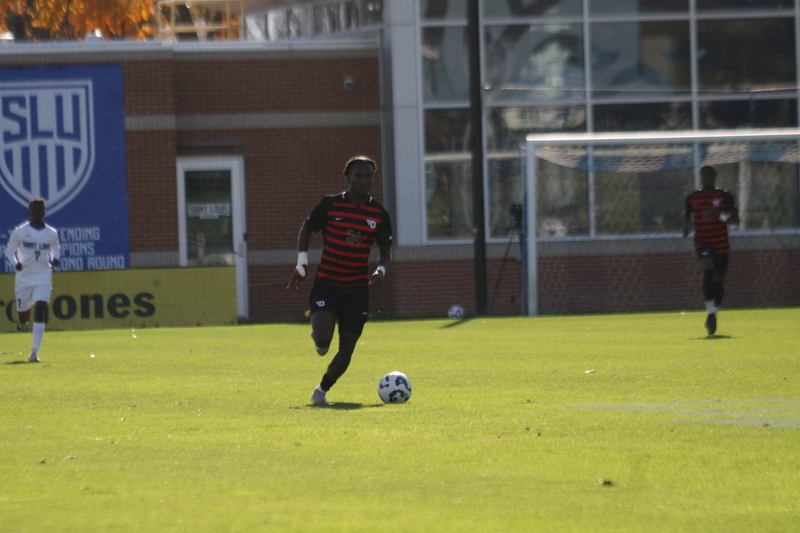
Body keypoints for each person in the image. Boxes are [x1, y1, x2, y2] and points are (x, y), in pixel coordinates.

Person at [287, 156, 393, 404]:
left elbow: (386, 251)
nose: (363, 181)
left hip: (357, 290)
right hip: (327, 284)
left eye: (368, 176)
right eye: (358, 176)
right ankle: (319, 336)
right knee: (324, 340)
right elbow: (306, 229)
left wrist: (381, 271)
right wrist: (302, 264)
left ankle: (321, 390)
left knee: (348, 346)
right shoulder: (330, 205)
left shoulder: (378, 214)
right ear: (348, 177)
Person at [682, 165, 739, 336]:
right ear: (700, 178)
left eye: (710, 175)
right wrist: (686, 225)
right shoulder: (692, 198)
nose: (707, 178)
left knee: (719, 280)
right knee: (708, 271)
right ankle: (709, 312)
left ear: (714, 177)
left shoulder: (724, 196)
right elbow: (686, 214)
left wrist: (720, 216)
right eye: (704, 175)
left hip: (721, 244)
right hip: (702, 242)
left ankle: (713, 313)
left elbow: (736, 219)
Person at [4, 198, 61, 362]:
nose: (37, 212)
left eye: (40, 209)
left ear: (45, 212)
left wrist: (55, 258)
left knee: (40, 309)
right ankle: (22, 323)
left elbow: (56, 251)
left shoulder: (51, 233)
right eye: (34, 209)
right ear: (29, 212)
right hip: (24, 279)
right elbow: (9, 251)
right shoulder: (21, 232)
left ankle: (34, 352)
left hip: (43, 276)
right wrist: (16, 263)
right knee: (24, 316)